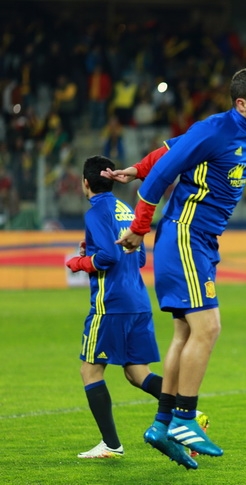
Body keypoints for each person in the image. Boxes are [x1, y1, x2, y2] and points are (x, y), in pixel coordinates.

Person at [101, 68, 246, 469]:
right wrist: (138, 228)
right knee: (208, 327)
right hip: (186, 236)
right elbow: (160, 180)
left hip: (201, 242)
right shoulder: (217, 129)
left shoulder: (244, 132)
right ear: (242, 104)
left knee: (184, 331)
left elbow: (171, 149)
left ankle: (162, 424)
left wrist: (136, 166)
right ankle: (185, 418)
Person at [66, 155, 162, 460]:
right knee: (137, 374)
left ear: (85, 182)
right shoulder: (126, 209)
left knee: (90, 370)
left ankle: (111, 444)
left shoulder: (96, 212)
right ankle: (190, 411)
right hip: (138, 300)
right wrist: (93, 251)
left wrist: (79, 263)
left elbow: (107, 258)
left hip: (111, 305)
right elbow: (140, 256)